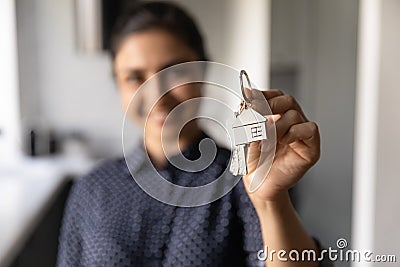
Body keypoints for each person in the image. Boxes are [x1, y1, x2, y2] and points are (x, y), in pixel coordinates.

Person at [57, 2, 330, 266]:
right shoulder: (91, 189)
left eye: (173, 72)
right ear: (117, 84)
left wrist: (270, 200)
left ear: (203, 70)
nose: (156, 96)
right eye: (135, 77)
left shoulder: (245, 181)